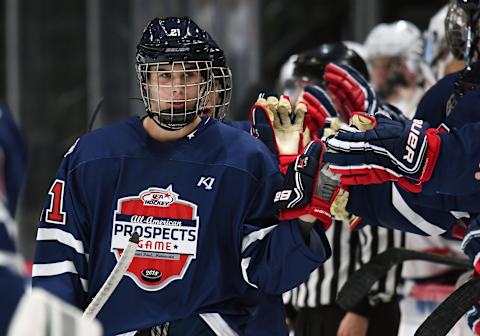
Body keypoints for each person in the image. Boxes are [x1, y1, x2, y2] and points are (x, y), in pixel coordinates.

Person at [31, 17, 331, 336]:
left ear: (205, 81)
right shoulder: (92, 156)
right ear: (145, 80)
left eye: (188, 75)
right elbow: (59, 262)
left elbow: (269, 273)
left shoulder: (245, 158)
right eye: (164, 75)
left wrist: (303, 222)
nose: (177, 87)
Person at [274, 43, 404, 336]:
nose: (301, 94)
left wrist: (362, 309)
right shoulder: (309, 143)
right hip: (313, 306)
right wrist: (293, 304)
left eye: (310, 85)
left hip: (351, 311)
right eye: (300, 85)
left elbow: (384, 233)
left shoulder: (363, 139)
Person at [364, 20, 427, 119]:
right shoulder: (371, 104)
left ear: (397, 66)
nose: (374, 72)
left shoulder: (422, 102)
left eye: (376, 65)